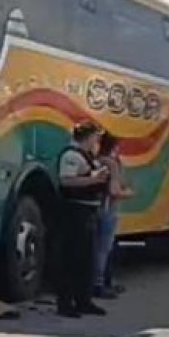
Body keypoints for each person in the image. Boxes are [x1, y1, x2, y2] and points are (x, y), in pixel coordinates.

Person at [55, 121, 110, 318]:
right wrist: (93, 179)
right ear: (87, 136)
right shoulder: (71, 155)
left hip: (88, 212)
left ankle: (83, 301)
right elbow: (66, 180)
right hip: (74, 213)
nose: (98, 141)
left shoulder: (88, 156)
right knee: (71, 259)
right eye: (96, 136)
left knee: (86, 260)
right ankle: (65, 303)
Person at [92, 133, 134, 300]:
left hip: (94, 208)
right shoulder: (112, 163)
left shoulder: (95, 160)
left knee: (95, 248)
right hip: (108, 208)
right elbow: (114, 191)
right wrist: (129, 193)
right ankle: (100, 284)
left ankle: (94, 282)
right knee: (104, 250)